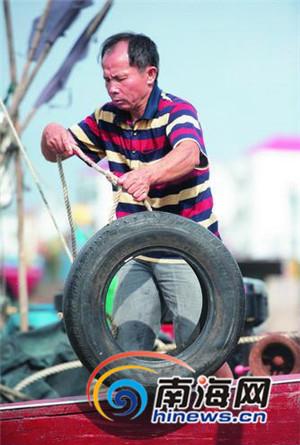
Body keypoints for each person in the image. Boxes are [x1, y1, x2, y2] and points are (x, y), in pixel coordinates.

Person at [41, 33, 223, 360]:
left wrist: (149, 174)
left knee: (202, 348)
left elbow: (189, 153)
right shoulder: (105, 118)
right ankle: (132, 408)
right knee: (126, 347)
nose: (112, 87)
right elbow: (55, 152)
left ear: (149, 74)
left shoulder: (177, 111)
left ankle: (233, 408)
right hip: (137, 253)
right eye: (107, 79)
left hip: (189, 252)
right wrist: (50, 134)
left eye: (121, 78)